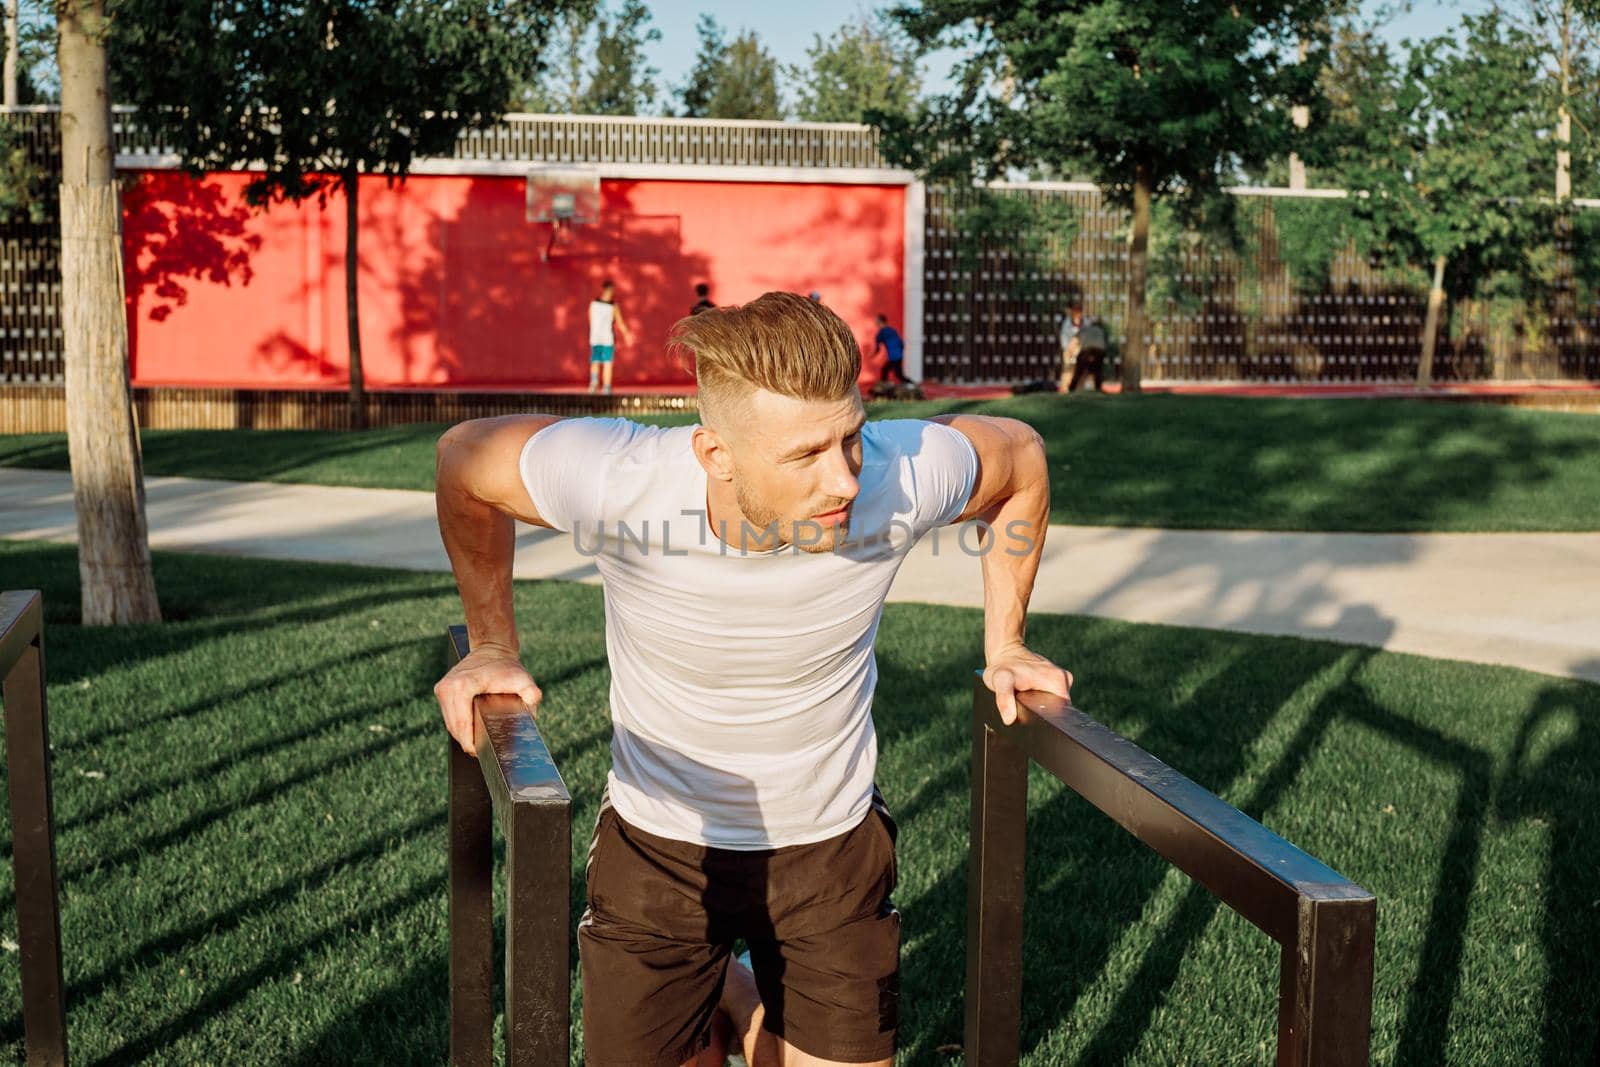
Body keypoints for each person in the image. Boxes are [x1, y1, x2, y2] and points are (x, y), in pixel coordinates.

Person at [433, 291, 1071, 1067]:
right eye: (804, 455)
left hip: (831, 847)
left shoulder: (900, 474)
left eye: (851, 437)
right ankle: (731, 994)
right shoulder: (619, 480)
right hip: (659, 848)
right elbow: (465, 458)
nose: (842, 481)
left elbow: (1022, 460)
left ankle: (735, 997)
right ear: (715, 454)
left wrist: (1006, 641)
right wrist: (492, 641)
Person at [588, 279, 633, 396]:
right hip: (606, 338)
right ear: (610, 290)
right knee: (606, 362)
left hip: (596, 337)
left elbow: (590, 320)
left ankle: (594, 383)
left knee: (596, 361)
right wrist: (627, 334)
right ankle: (605, 388)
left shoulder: (593, 304)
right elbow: (620, 322)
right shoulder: (613, 306)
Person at [1066, 312, 1108, 393]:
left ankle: (1071, 389)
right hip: (1099, 352)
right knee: (1098, 371)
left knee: (1078, 371)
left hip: (1086, 352)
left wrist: (1070, 353)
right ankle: (1098, 389)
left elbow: (1073, 342)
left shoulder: (1084, 329)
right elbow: (1104, 344)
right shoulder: (1101, 330)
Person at [871, 313, 913, 385]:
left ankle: (912, 384)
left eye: (876, 321)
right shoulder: (892, 330)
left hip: (894, 356)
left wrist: (872, 355)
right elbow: (901, 343)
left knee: (898, 374)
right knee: (885, 370)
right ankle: (884, 385)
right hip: (898, 355)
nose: (875, 323)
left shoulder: (881, 333)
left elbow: (877, 348)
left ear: (880, 321)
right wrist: (900, 351)